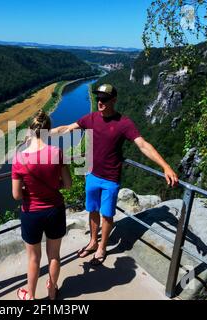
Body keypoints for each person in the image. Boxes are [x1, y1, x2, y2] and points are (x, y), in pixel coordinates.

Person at [50, 83, 178, 266]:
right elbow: (67, 128)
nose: (100, 102)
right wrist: (42, 134)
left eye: (104, 99)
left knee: (107, 215)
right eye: (98, 99)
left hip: (110, 178)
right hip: (92, 174)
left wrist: (165, 166)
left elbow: (143, 145)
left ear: (114, 100)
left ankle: (102, 247)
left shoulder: (124, 123)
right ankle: (93, 242)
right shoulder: (91, 118)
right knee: (92, 211)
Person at [12, 110, 72, 300]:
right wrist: (56, 184)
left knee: (33, 259)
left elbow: (16, 195)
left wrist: (28, 189)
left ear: (30, 130)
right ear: (48, 130)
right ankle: (52, 291)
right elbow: (68, 185)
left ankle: (30, 295)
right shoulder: (57, 153)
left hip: (32, 213)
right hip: (55, 210)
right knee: (54, 255)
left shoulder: (19, 158)